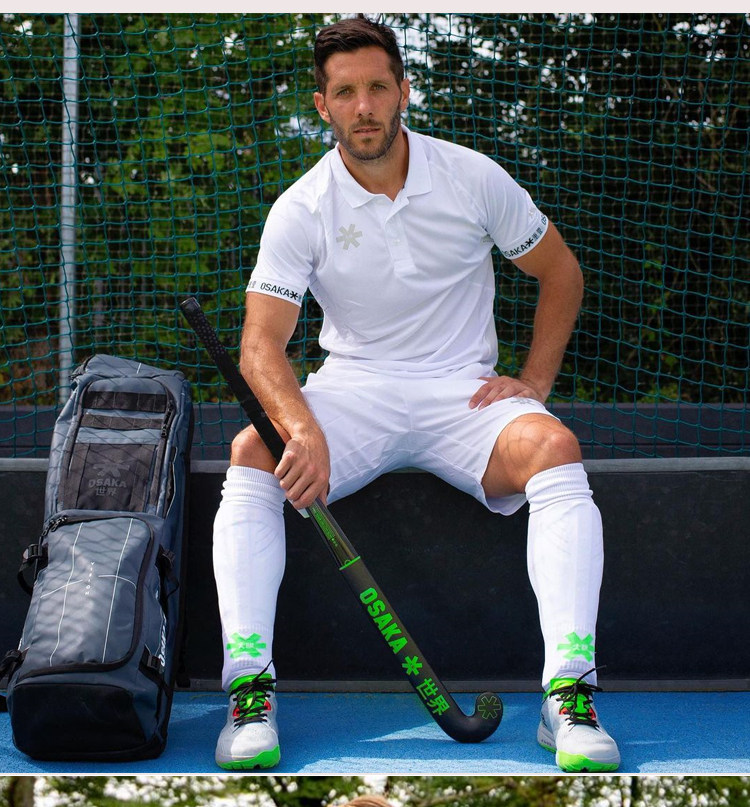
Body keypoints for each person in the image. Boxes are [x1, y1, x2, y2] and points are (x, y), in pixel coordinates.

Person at [212, 14, 620, 773]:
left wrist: (533, 383)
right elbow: (259, 345)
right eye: (345, 93)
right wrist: (302, 429)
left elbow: (561, 273)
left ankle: (569, 695)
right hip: (355, 392)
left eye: (377, 87)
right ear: (323, 106)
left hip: (463, 395)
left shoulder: (472, 177)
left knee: (555, 446)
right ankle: (249, 694)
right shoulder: (302, 207)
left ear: (404, 90)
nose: (364, 107)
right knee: (252, 452)